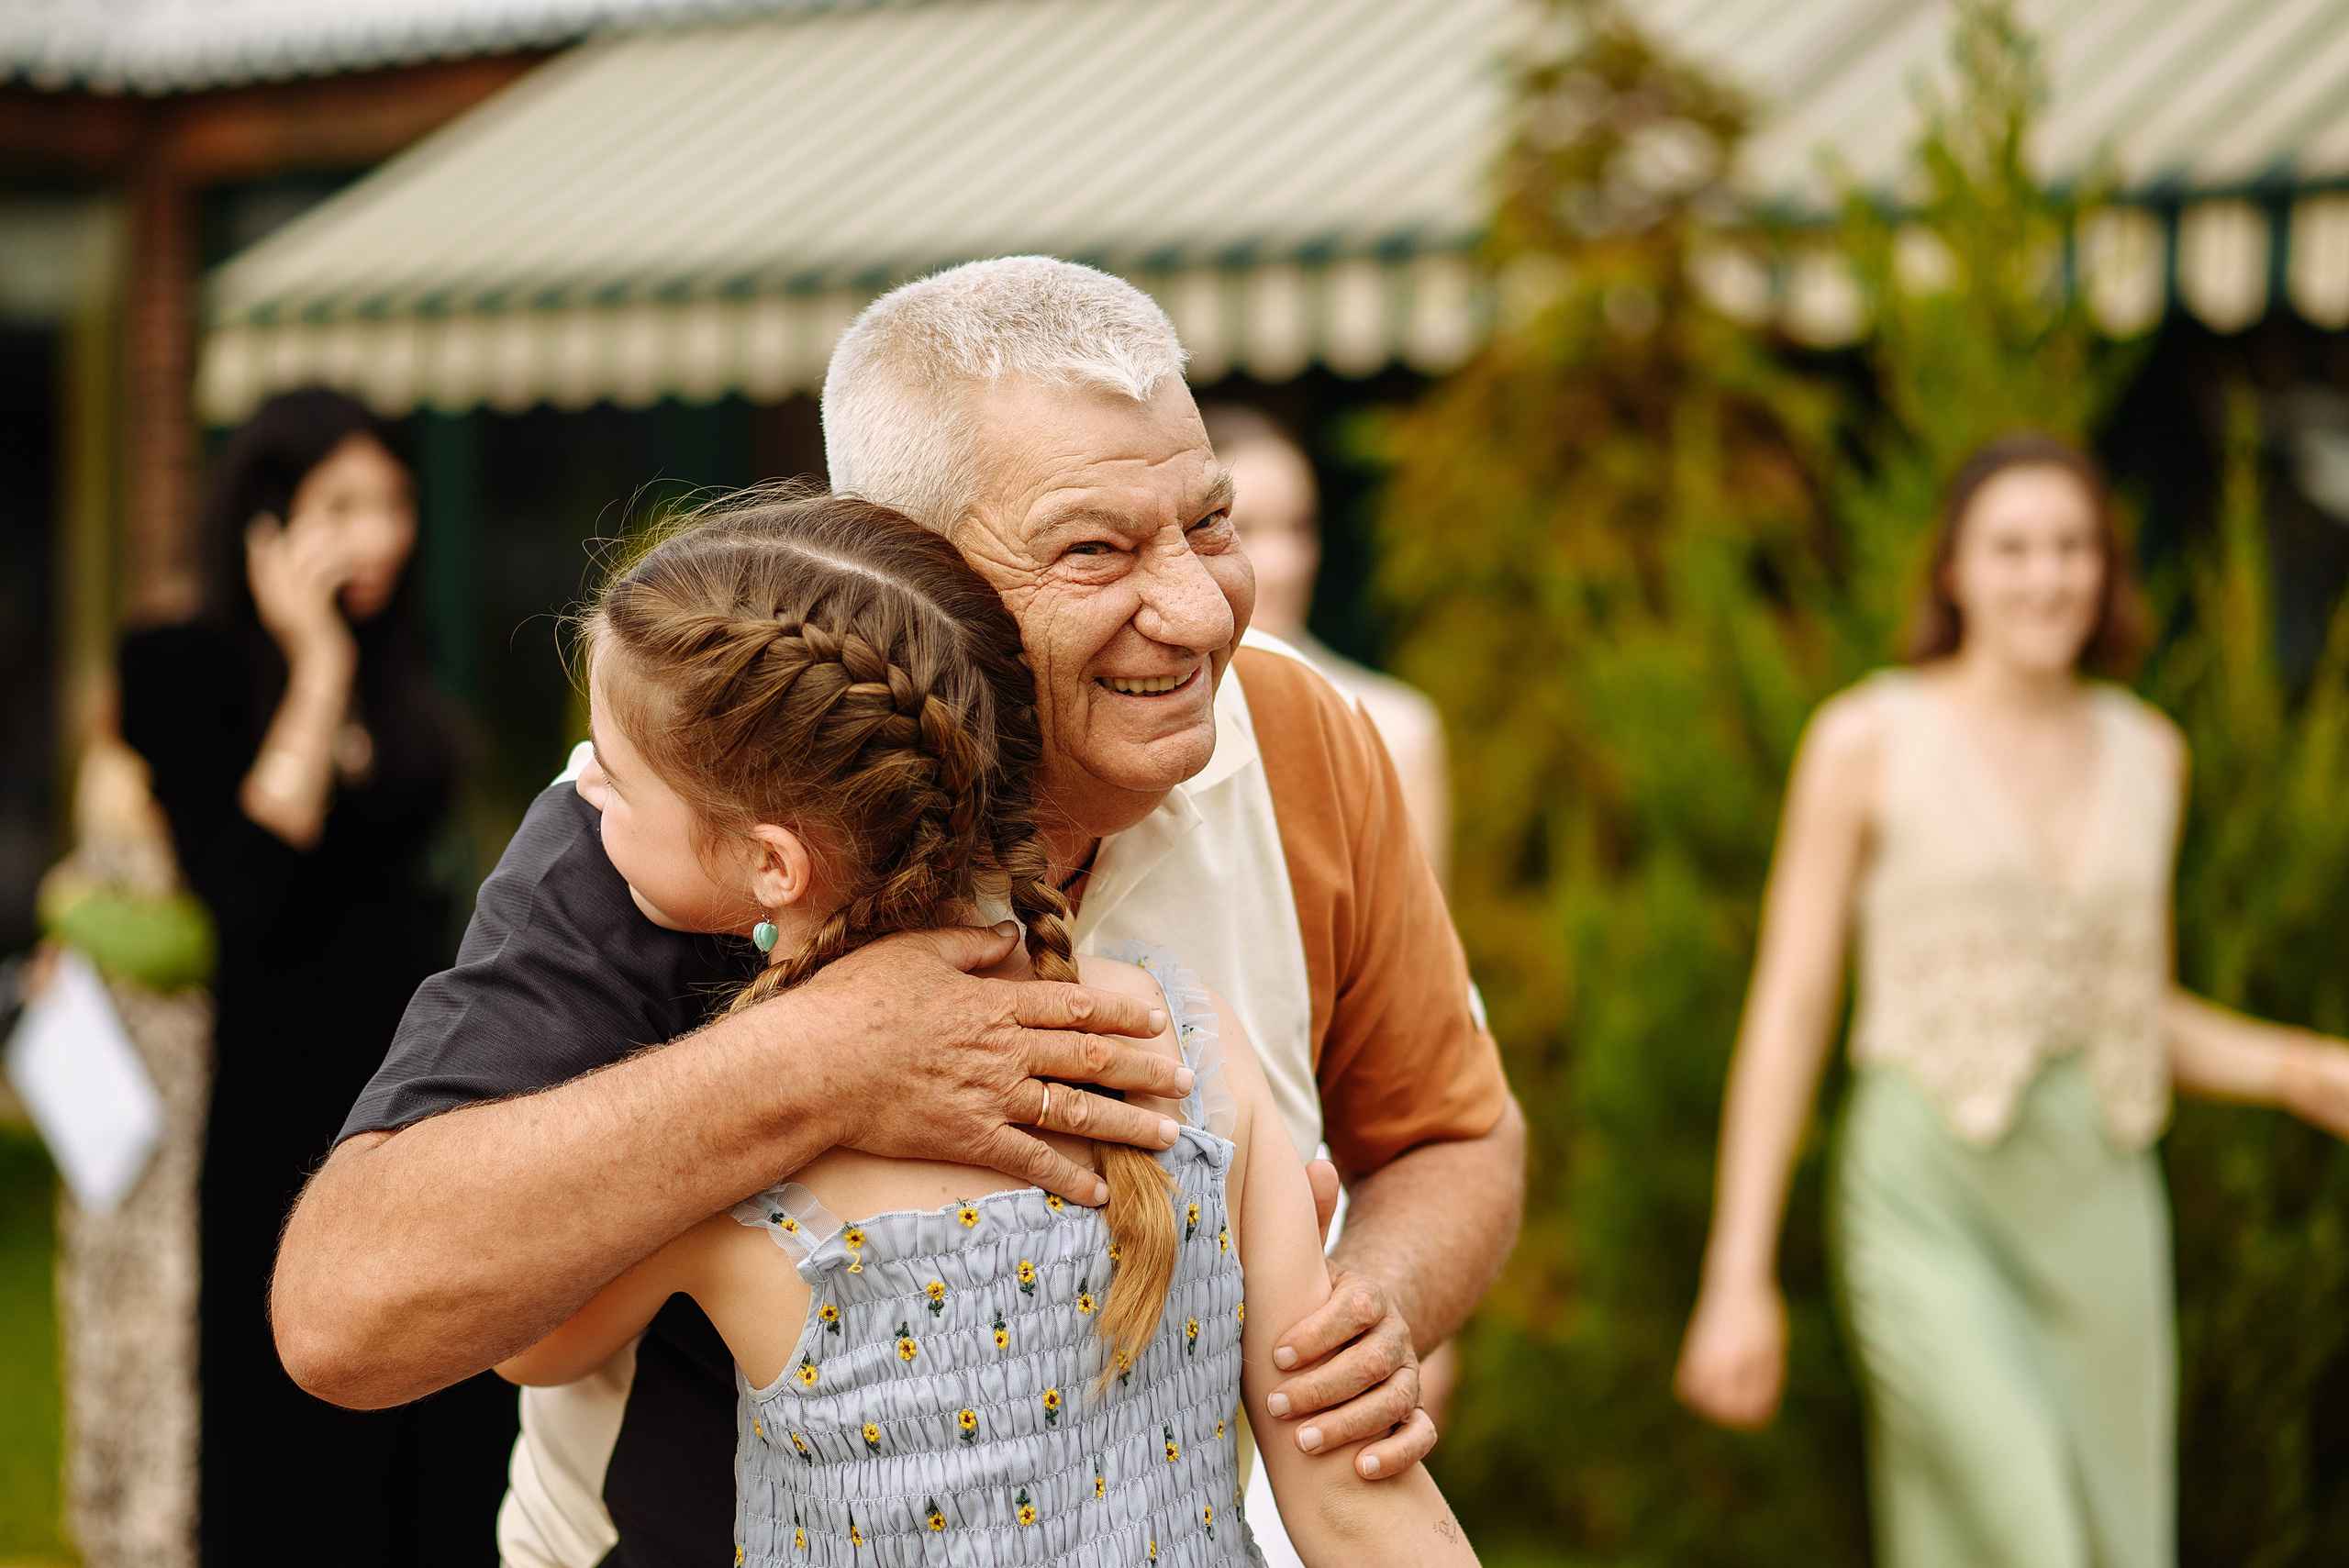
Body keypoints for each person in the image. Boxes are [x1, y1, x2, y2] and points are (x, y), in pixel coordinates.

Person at [271, 258, 1523, 1567]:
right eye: (1094, 547)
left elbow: (1453, 1136)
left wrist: (1362, 1308)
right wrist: (821, 1061)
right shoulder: (663, 819)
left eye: (1211, 524)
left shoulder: (1302, 737)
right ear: (902, 570)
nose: (1205, 610)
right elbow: (349, 1315)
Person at [496, 488, 1475, 1563]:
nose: (585, 784)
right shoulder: (1190, 1044)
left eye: (616, 774)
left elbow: (528, 1341)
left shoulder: (732, 1173)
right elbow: (1352, 1494)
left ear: (773, 864)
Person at [1672, 431, 2349, 1568]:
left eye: (2073, 546)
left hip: (2101, 1198)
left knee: (2114, 1539)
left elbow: (2128, 1006)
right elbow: (1791, 1008)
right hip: (1924, 1192)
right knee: (2036, 1529)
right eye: (2013, 547)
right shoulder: (1866, 738)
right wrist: (1736, 1272)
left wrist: (2301, 1069)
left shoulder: (2151, 754)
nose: (2047, 575)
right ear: (1953, 570)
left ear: (2106, 568)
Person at [117, 387, 515, 1563]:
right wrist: (314, 668)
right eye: (343, 505)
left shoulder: (405, 655)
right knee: (289, 1420)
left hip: (421, 1081)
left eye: (394, 501)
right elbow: (240, 884)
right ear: (267, 520)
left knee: (445, 1411)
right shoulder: (179, 665)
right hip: (277, 1098)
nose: (382, 533)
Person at [1208, 405, 1452, 884]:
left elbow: (1418, 947)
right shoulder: (1143, 723)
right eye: (1244, 527)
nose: (1284, 563)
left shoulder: (1397, 726)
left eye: (1299, 526)